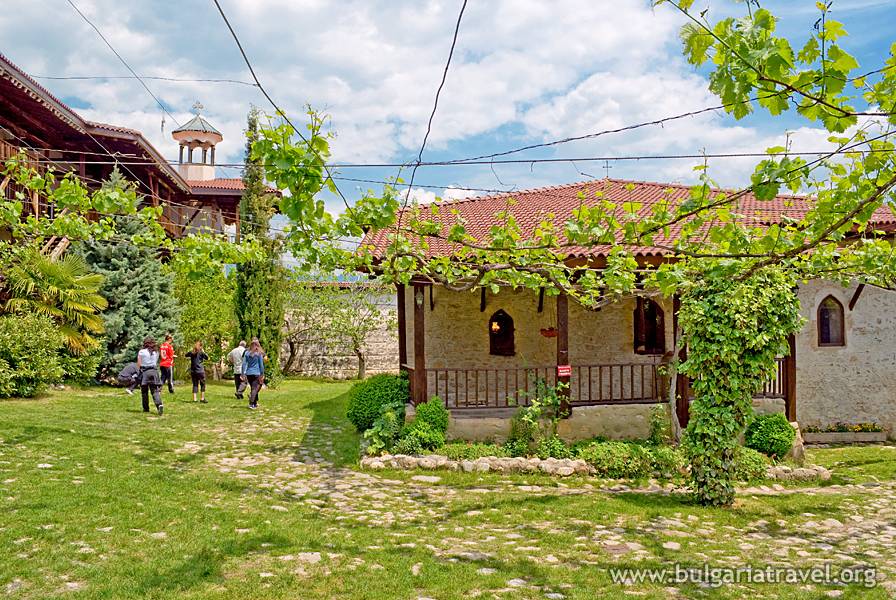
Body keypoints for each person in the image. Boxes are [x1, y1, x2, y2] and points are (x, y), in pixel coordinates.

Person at [137, 337, 163, 415]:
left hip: (145, 372)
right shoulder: (156, 352)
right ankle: (159, 405)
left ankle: (146, 409)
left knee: (144, 392)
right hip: (154, 371)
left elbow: (139, 364)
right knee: (155, 391)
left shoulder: (141, 352)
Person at [241, 338, 266, 410]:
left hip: (249, 373)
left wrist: (242, 374)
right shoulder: (259, 354)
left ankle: (254, 403)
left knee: (253, 388)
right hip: (256, 373)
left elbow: (244, 364)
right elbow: (261, 365)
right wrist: (262, 374)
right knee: (255, 388)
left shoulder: (247, 353)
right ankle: (251, 404)